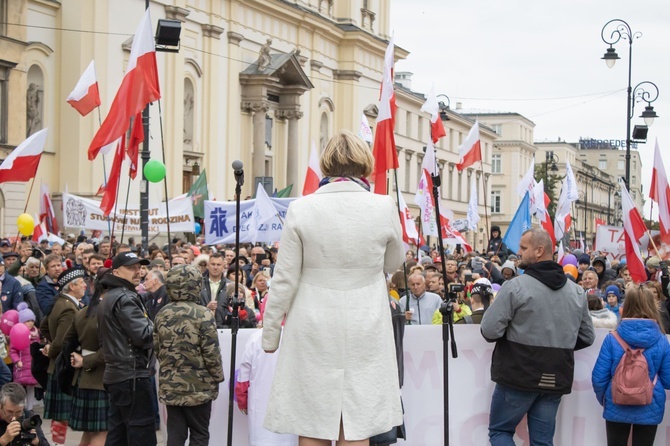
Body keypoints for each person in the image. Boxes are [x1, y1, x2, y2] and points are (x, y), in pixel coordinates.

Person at [262, 130, 404, 445]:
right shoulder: (383, 205)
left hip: (312, 322)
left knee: (312, 419)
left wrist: (270, 334)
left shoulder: (301, 208)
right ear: (364, 164)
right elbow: (394, 260)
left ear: (327, 165)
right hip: (365, 319)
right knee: (357, 418)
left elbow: (284, 277)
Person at [481, 228, 595, 445]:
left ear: (539, 251)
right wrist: (561, 343)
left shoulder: (516, 287)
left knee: (500, 432)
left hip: (518, 374)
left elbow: (489, 330)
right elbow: (587, 336)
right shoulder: (576, 292)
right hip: (555, 375)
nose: (518, 253)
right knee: (542, 442)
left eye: (523, 248)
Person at [154, 265, 224, 446]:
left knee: (175, 434)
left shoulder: (162, 314)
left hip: (172, 385)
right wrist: (218, 377)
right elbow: (211, 352)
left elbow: (157, 348)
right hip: (199, 386)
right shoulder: (203, 314)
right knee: (199, 434)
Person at [592, 286, 670, 446]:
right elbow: (668, 380)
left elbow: (598, 378)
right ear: (653, 305)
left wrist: (607, 399)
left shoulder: (612, 338)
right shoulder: (662, 340)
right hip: (650, 405)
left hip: (616, 402)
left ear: (626, 305)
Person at [97, 252, 156, 446]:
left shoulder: (111, 296)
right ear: (116, 272)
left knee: (118, 434)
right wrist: (159, 323)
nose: (137, 271)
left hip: (119, 375)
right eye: (131, 267)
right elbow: (144, 335)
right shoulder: (125, 297)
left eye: (139, 267)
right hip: (132, 376)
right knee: (141, 433)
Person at [63, 268, 110, 446]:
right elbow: (110, 350)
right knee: (101, 433)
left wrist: (78, 356)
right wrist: (84, 359)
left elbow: (66, 343)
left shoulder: (82, 312)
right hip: (100, 379)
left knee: (89, 434)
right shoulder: (108, 312)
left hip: (82, 379)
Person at [41, 267, 87, 445]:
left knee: (60, 419)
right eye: (81, 282)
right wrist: (51, 349)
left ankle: (56, 443)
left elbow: (44, 328)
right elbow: (62, 342)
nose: (85, 285)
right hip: (63, 366)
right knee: (62, 419)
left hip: (57, 365)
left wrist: (48, 345)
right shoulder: (68, 308)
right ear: (71, 287)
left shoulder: (60, 303)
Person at [10, 303, 40, 410]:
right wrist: (17, 361)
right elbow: (13, 351)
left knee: (31, 387)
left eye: (32, 320)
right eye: (28, 321)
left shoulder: (36, 335)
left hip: (31, 366)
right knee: (20, 389)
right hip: (21, 366)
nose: (31, 323)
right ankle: (20, 409)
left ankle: (29, 409)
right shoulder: (17, 333)